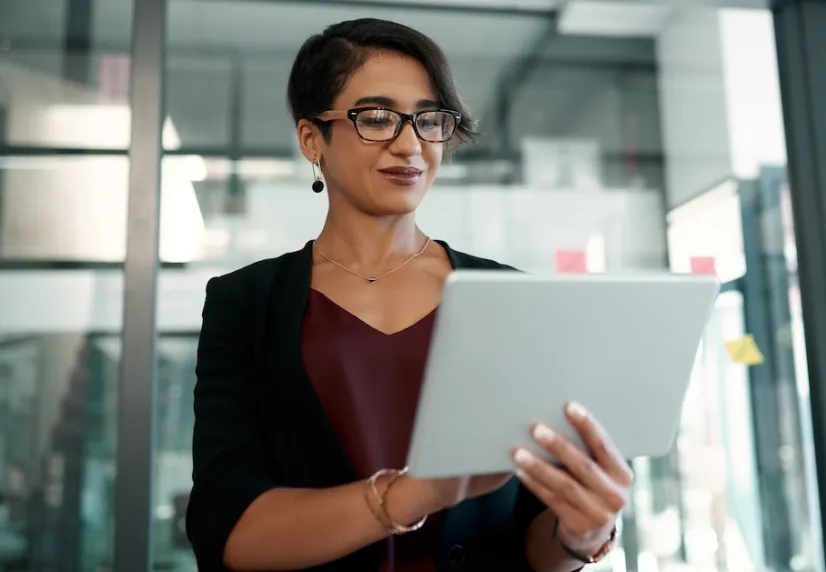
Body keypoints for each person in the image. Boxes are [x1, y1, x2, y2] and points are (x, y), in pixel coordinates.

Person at [185, 18, 633, 572]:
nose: (410, 144)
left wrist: (583, 534)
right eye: (376, 118)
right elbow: (227, 529)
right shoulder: (246, 302)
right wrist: (413, 494)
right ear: (311, 139)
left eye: (428, 120)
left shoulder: (510, 297)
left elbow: (535, 543)